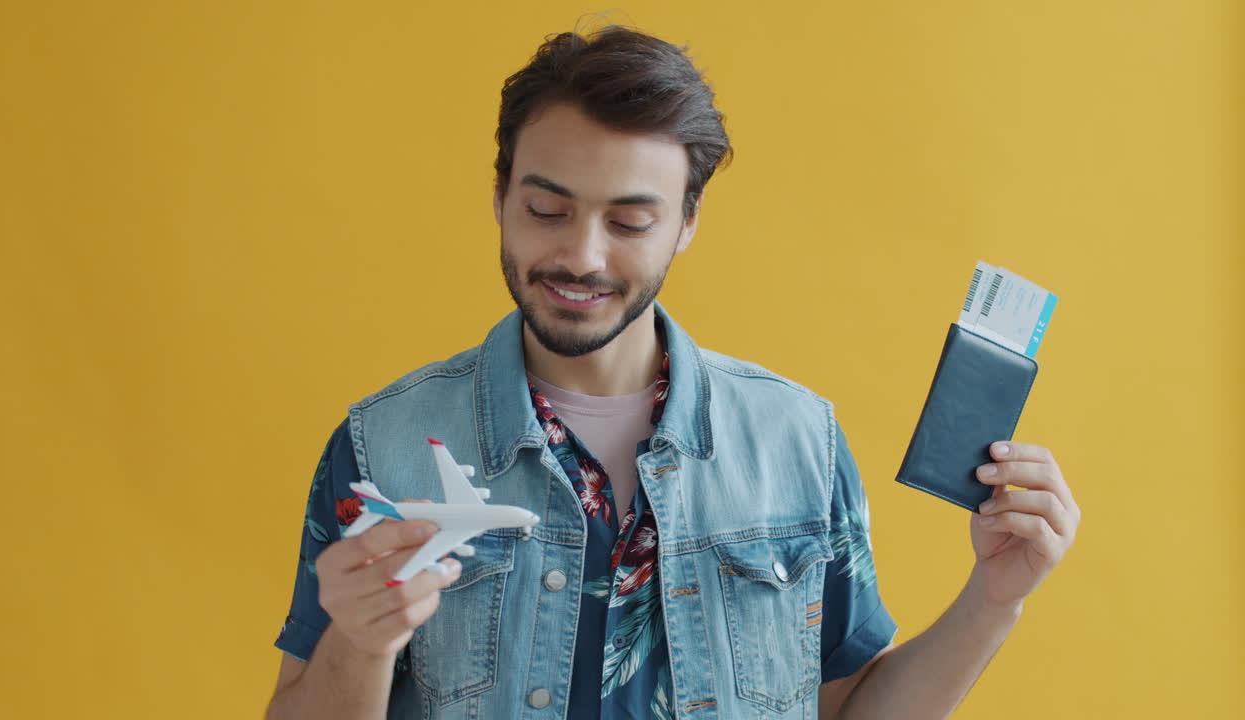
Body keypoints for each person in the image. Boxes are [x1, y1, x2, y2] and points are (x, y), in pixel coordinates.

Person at [265, 26, 1081, 720]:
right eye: (547, 210)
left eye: (629, 221)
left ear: (687, 222)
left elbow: (850, 707)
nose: (582, 255)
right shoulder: (382, 447)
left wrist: (994, 598)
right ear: (500, 196)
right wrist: (360, 642)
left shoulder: (799, 441)